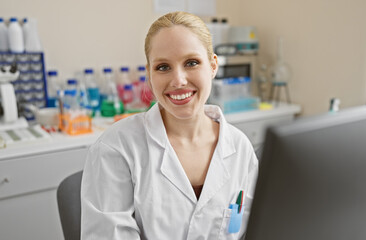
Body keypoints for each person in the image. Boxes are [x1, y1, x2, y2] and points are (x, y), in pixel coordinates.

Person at [81, 11, 258, 239]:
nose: (178, 81)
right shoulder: (115, 149)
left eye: (191, 63)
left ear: (213, 65)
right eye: (163, 67)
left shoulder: (239, 148)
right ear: (149, 74)